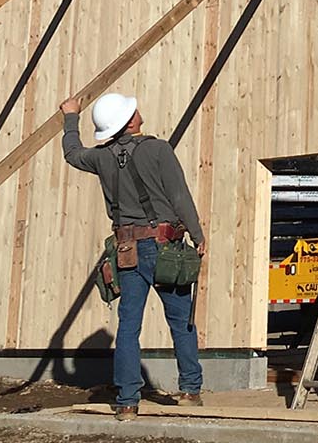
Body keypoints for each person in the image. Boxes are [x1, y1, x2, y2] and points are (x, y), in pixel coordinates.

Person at [62, 92, 207, 419]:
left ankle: (127, 402)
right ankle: (189, 390)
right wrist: (198, 235)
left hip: (127, 250)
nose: (138, 110)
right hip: (164, 248)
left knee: (128, 327)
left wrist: (71, 116)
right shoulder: (158, 150)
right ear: (130, 121)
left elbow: (72, 153)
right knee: (181, 322)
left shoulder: (101, 158)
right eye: (133, 109)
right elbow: (180, 197)